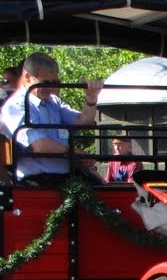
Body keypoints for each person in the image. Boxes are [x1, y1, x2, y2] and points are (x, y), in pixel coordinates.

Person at [0, 51, 104, 182]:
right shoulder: (16, 105)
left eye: (54, 82)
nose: (50, 87)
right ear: (27, 77)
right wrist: (76, 152)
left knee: (102, 188)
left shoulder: (53, 102)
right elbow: (39, 145)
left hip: (66, 177)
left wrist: (91, 98)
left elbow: (83, 121)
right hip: (37, 180)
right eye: (44, 82)